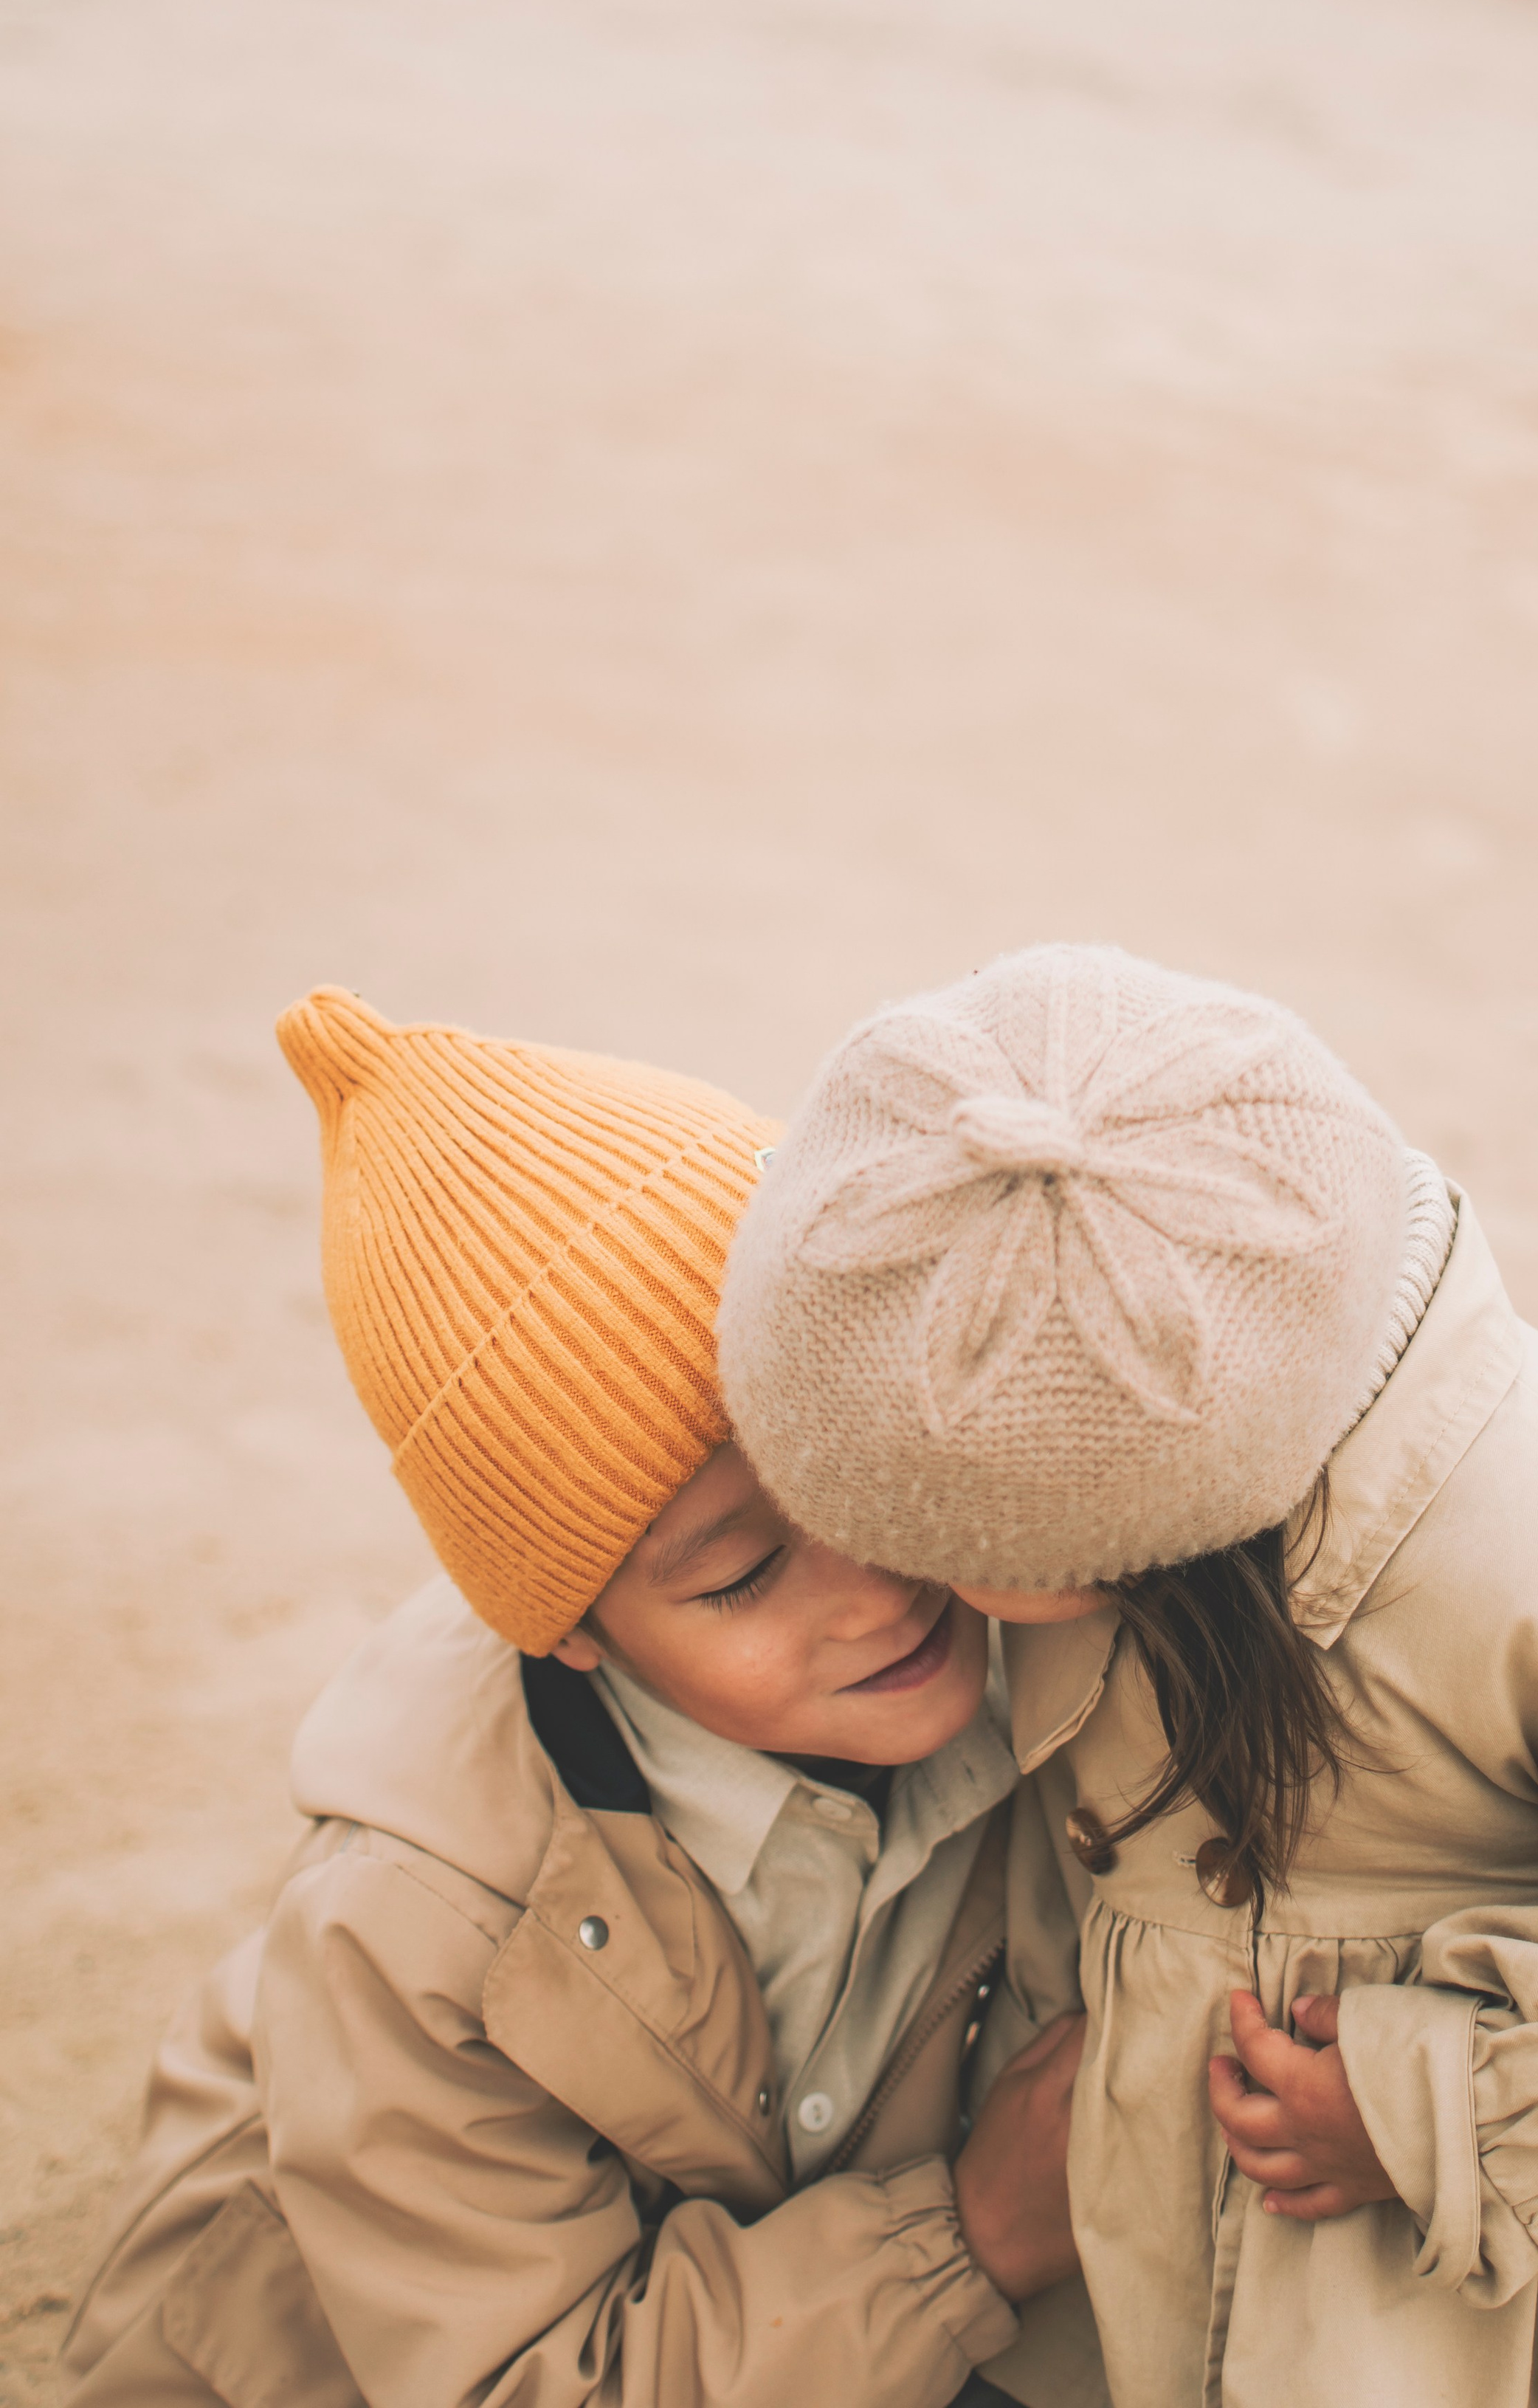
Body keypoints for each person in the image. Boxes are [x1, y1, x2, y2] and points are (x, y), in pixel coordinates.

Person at [717, 939, 1538, 2408]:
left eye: (941, 1547)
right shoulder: (1150, 1458)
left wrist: (1429, 2111)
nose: (902, 1587)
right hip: (1173, 2263)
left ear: (1136, 1522)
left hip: (1507, 2308)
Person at [62, 987, 1100, 2408]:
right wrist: (972, 2231)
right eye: (741, 1574)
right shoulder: (412, 1937)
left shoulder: (1022, 1610)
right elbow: (531, 2381)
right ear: (570, 1637)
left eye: (857, 1453)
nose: (874, 1581)